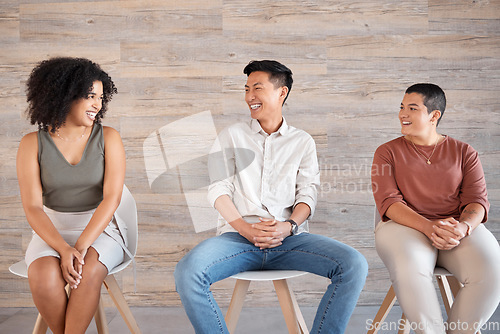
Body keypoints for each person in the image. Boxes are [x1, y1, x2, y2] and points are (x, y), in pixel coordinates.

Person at [175, 60, 368, 333]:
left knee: (354, 265)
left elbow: (308, 194)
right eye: (246, 89)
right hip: (238, 239)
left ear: (282, 93)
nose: (249, 96)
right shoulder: (231, 136)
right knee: (188, 272)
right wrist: (245, 229)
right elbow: (219, 190)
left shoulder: (302, 142)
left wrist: (288, 227)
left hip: (289, 240)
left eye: (257, 88)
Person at [371, 83, 500, 334]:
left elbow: (477, 201)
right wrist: (429, 227)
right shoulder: (386, 152)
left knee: (492, 269)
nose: (402, 114)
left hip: (454, 229)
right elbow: (389, 202)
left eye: (412, 108)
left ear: (434, 115)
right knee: (411, 267)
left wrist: (463, 227)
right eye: (401, 107)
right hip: (403, 228)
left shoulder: (464, 152)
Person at [16, 57, 127, 334]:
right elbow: (32, 207)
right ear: (64, 95)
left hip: (100, 230)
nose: (97, 105)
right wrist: (64, 249)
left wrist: (80, 248)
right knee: (42, 278)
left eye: (101, 98)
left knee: (86, 272)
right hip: (51, 231)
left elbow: (111, 199)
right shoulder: (32, 144)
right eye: (90, 96)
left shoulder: (109, 137)